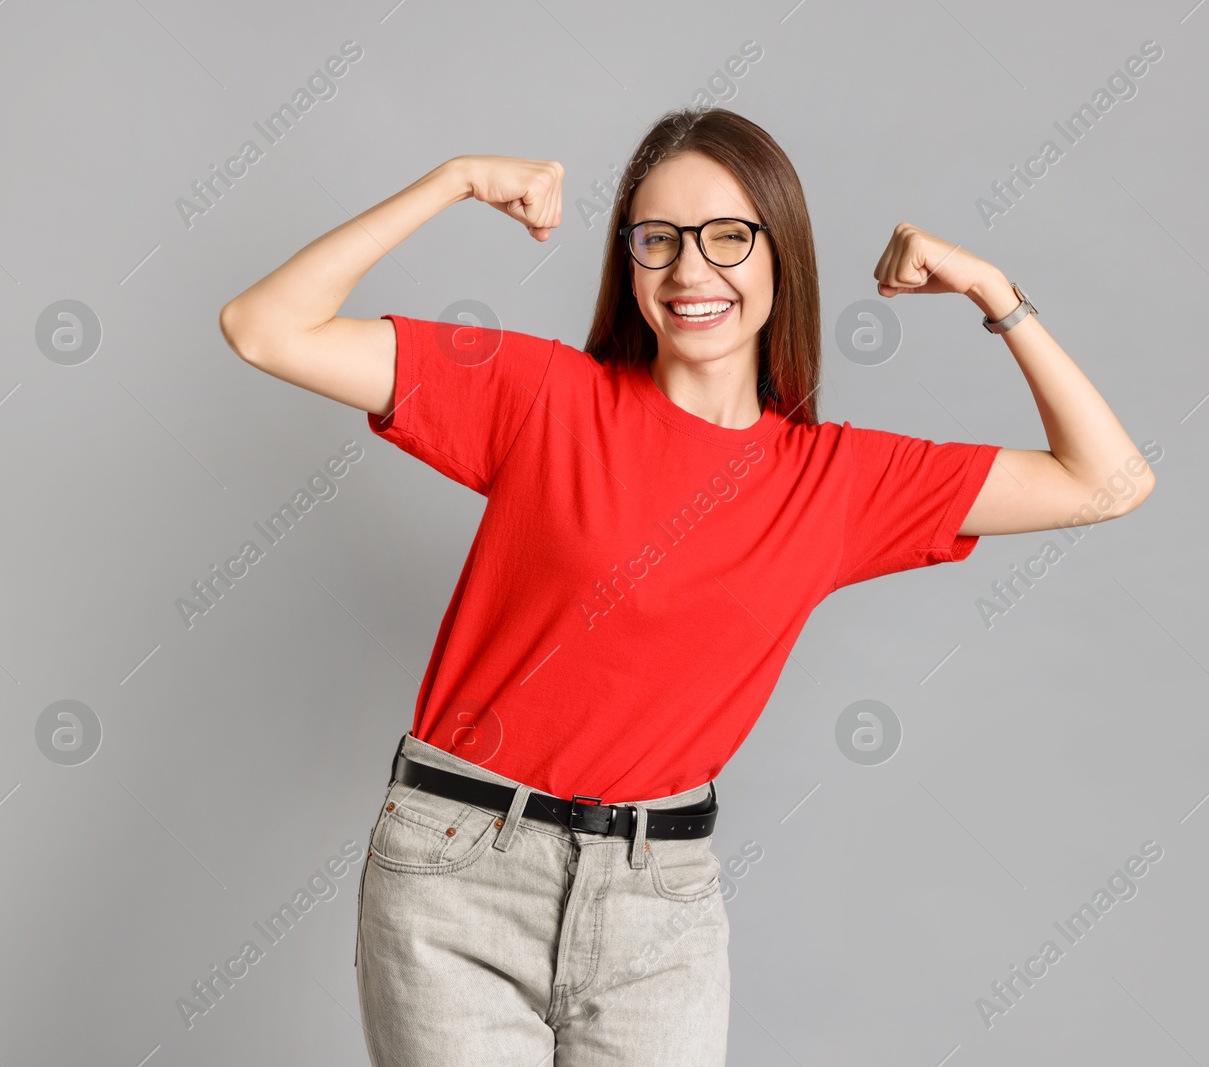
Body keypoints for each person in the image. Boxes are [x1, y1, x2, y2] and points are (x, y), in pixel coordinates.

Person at [217, 106, 1154, 1067]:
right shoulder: (543, 398)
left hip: (657, 902)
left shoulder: (835, 483)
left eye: (728, 238)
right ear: (629, 262)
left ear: (781, 256)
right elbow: (263, 327)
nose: (689, 271)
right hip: (457, 869)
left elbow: (1109, 480)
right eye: (656, 240)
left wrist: (994, 292)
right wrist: (452, 179)